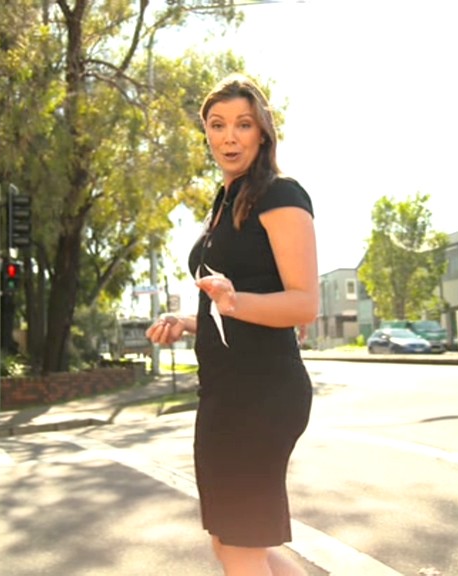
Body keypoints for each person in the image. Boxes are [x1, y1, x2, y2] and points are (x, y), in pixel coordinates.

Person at [146, 73, 318, 576]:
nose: (229, 137)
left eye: (243, 124)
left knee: (242, 547)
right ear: (205, 132)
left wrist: (234, 301)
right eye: (217, 125)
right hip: (224, 392)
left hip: (262, 392)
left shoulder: (280, 195)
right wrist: (188, 321)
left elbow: (304, 304)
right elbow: (228, 308)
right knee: (231, 543)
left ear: (262, 131)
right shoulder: (224, 202)